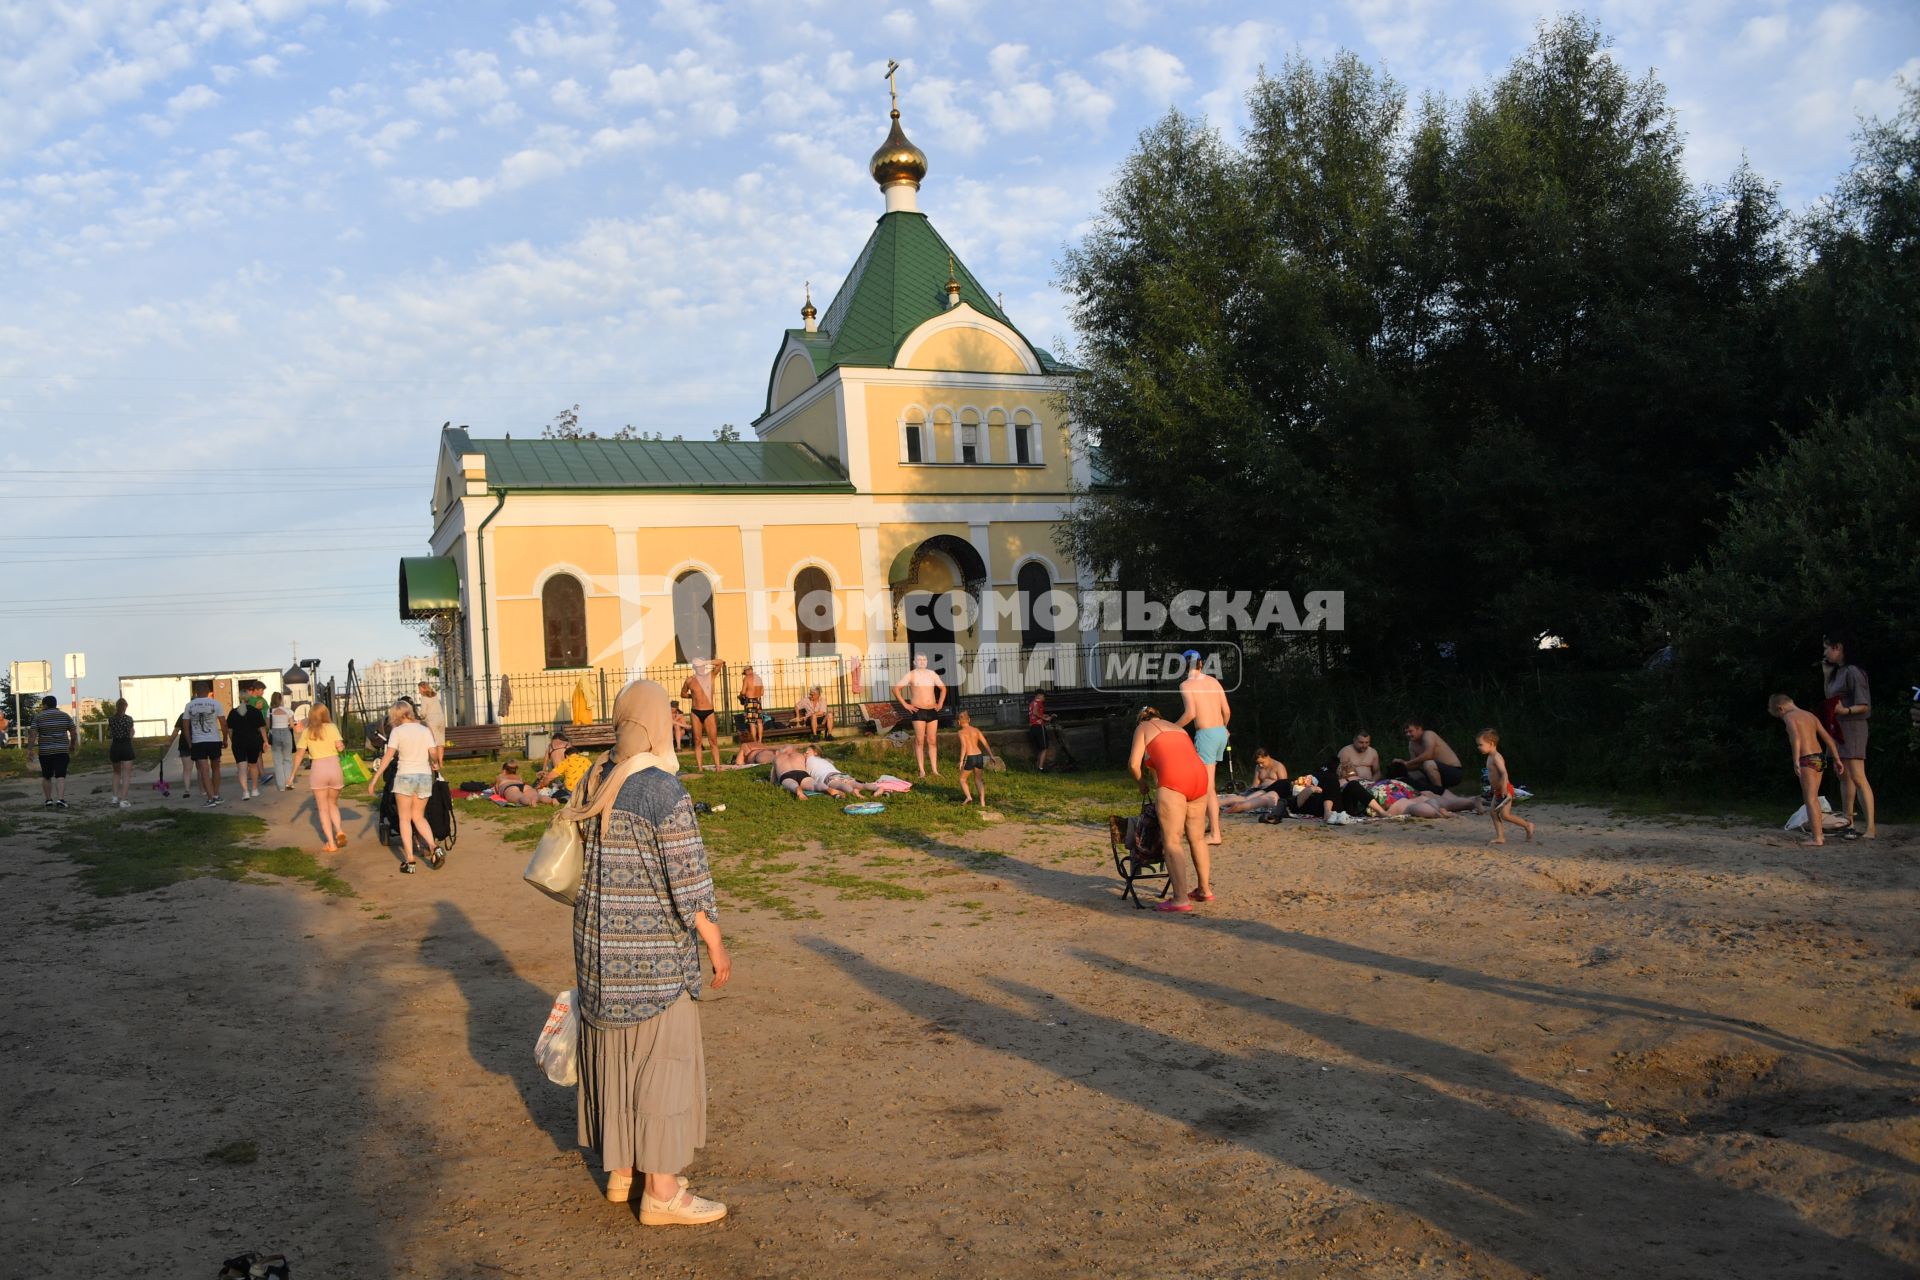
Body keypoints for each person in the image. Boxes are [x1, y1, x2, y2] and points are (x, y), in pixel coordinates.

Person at [571, 679, 731, 1227]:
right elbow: (689, 881)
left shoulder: (597, 775)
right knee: (663, 1062)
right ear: (658, 722)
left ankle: (623, 1171)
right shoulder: (662, 790)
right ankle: (662, 1192)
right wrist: (715, 943)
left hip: (598, 949)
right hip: (651, 955)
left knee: (618, 1057)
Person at [1128, 707, 1212, 912]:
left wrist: (1140, 783)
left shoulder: (1143, 728)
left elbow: (1133, 764)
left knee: (1172, 840)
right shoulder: (1177, 729)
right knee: (1197, 838)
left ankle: (1180, 899)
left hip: (1175, 781)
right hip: (1200, 778)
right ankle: (1204, 889)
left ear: (1141, 720)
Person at [368, 699, 445, 872]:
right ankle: (433, 846)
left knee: (404, 819)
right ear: (410, 712)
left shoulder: (397, 732)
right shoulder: (424, 730)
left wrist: (375, 779)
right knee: (419, 817)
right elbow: (433, 752)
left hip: (405, 776)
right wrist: (435, 763)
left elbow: (388, 757)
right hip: (424, 776)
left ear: (395, 716)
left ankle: (410, 861)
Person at [1171, 651, 1231, 845]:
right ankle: (1208, 825)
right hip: (1221, 732)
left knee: (1208, 787)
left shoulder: (1186, 685)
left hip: (1206, 735)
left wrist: (1173, 727)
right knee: (1205, 783)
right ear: (1201, 663)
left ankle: (1215, 833)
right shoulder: (1214, 682)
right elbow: (1227, 711)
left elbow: (1190, 713)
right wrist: (1224, 728)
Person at [1770, 693, 1846, 847]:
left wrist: (1796, 760)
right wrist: (1837, 759)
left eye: (1778, 715)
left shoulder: (1790, 717)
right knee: (1814, 798)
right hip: (1819, 758)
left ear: (1781, 708)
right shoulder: (1810, 715)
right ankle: (1819, 834)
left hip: (1807, 759)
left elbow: (1795, 738)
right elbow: (1828, 738)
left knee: (1810, 799)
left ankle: (1817, 838)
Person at [1821, 638, 1875, 839]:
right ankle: (1848, 822)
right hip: (1839, 729)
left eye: (1827, 648)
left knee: (1858, 776)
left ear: (1838, 647)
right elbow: (1830, 698)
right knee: (1843, 775)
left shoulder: (1854, 671)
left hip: (1853, 727)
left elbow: (1865, 704)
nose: (1825, 653)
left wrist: (1845, 710)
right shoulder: (1837, 672)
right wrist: (1826, 676)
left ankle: (1870, 828)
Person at [286, 704, 348, 853]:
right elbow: (340, 747)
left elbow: (300, 754)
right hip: (334, 768)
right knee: (333, 804)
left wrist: (292, 775)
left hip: (318, 770)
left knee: (322, 809)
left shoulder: (307, 731)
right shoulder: (332, 727)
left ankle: (331, 844)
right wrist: (339, 746)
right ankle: (339, 830)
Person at [1476, 729, 1535, 845]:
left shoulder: (1496, 757)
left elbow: (1504, 773)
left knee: (1505, 815)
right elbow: (1493, 775)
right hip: (1497, 791)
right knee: (1493, 813)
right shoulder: (1489, 757)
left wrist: (1503, 788)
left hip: (1505, 790)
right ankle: (1501, 837)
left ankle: (1528, 825)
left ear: (1491, 744)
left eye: (1480, 744)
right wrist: (1493, 789)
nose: (1478, 747)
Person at [891, 653, 947, 777]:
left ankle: (935, 770)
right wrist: (905, 705)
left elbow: (943, 688)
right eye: (919, 660)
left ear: (927, 661)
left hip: (932, 711)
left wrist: (940, 703)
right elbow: (896, 689)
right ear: (915, 662)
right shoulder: (911, 675)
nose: (922, 661)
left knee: (932, 740)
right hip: (918, 711)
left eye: (924, 659)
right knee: (920, 741)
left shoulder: (932, 674)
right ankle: (922, 770)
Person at [180, 680, 227, 807]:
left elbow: (185, 725)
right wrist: (225, 739)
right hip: (214, 740)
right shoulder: (216, 704)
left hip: (198, 741)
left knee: (204, 771)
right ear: (209, 692)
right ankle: (216, 794)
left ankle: (210, 798)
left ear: (195, 692)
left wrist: (189, 741)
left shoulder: (189, 705)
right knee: (216, 768)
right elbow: (223, 723)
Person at [1388, 719, 1464, 794]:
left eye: (1410, 731)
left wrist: (1407, 763)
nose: (1408, 734)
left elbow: (1428, 755)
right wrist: (1401, 764)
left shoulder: (1428, 734)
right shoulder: (1411, 744)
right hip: (1433, 772)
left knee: (1428, 763)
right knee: (1412, 774)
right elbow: (1415, 765)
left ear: (1419, 729)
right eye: (1406, 732)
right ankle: (1415, 793)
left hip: (1453, 772)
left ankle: (1439, 792)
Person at [29, 695, 77, 809]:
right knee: (61, 775)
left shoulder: (38, 717)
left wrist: (29, 749)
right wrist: (72, 745)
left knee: (46, 776)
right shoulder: (65, 716)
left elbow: (33, 735)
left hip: (45, 752)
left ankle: (48, 800)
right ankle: (60, 799)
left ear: (45, 705)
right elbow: (74, 733)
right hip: (61, 751)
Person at [678, 659, 726, 771]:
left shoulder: (711, 675)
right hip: (695, 712)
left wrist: (705, 662)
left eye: (702, 666)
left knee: (713, 741)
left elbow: (720, 662)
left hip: (709, 711)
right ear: (694, 668)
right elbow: (683, 694)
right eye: (698, 667)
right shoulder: (690, 680)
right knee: (697, 740)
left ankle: (718, 767)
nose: (701, 669)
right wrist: (692, 697)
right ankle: (700, 768)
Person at [227, 694, 268, 800]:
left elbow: (230, 730)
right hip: (253, 741)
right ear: (249, 700)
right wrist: (265, 741)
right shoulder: (255, 711)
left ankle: (245, 792)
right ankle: (254, 789)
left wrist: (233, 740)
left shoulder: (233, 712)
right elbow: (262, 728)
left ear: (239, 699)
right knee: (253, 765)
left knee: (242, 768)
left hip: (238, 742)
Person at [802, 746, 875, 799]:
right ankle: (877, 788)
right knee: (858, 784)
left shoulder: (808, 760)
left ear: (815, 752)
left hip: (827, 777)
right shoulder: (824, 760)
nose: (805, 752)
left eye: (807, 751)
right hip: (839, 774)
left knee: (841, 786)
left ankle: (853, 792)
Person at [954, 711, 994, 807]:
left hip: (970, 757)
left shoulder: (961, 732)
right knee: (978, 780)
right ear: (969, 720)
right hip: (979, 756)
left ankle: (968, 797)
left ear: (958, 722)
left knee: (962, 779)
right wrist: (991, 755)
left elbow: (964, 746)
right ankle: (982, 802)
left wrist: (961, 760)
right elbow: (985, 742)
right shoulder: (976, 730)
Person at [106, 697, 137, 809]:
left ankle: (114, 798)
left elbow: (109, 733)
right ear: (125, 707)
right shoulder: (129, 719)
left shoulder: (111, 719)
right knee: (126, 774)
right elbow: (131, 732)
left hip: (115, 746)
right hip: (126, 746)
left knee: (116, 773)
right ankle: (123, 800)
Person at [492, 761, 558, 806]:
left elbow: (497, 790)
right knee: (538, 796)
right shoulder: (518, 777)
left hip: (509, 787)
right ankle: (551, 800)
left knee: (520, 797)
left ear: (504, 769)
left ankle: (529, 802)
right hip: (524, 786)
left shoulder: (500, 777)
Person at [268, 693, 297, 791]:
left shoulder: (270, 711)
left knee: (278, 761)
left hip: (275, 733)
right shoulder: (288, 711)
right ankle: (289, 783)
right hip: (286, 733)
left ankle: (281, 786)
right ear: (281, 700)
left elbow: (268, 726)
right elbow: (292, 725)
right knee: (288, 759)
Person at [1027, 692, 1054, 771]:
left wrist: (1045, 715)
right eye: (1044, 696)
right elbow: (1035, 712)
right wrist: (1045, 718)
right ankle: (1040, 768)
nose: (1044, 698)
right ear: (1039, 695)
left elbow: (1034, 713)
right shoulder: (1038, 702)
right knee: (1044, 748)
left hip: (1032, 727)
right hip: (1039, 727)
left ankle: (1037, 766)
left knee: (1040, 748)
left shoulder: (1032, 703)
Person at [738, 665, 765, 745]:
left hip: (750, 701)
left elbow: (743, 692)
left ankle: (754, 742)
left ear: (746, 671)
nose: (745, 674)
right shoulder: (759, 678)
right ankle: (760, 740)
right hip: (758, 701)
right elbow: (762, 692)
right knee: (759, 722)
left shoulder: (746, 678)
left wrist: (740, 695)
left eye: (745, 672)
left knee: (752, 722)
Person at [416, 680, 448, 749]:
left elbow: (423, 713)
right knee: (441, 743)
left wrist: (420, 716)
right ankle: (440, 760)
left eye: (420, 689)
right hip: (441, 719)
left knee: (434, 742)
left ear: (424, 688)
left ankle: (435, 760)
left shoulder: (424, 698)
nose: (419, 692)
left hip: (432, 722)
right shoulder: (435, 695)